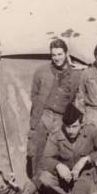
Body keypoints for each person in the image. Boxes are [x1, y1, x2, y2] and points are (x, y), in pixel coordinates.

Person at [18, 103, 97, 194]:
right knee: (45, 178)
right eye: (67, 127)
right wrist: (58, 165)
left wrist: (87, 159)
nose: (70, 131)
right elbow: (46, 158)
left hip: (86, 177)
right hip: (65, 179)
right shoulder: (57, 134)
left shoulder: (91, 131)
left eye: (74, 127)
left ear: (82, 125)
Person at [26, 39, 82, 184]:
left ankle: (52, 188)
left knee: (56, 152)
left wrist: (87, 65)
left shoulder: (76, 74)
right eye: (54, 55)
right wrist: (38, 115)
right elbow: (34, 93)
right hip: (44, 115)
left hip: (61, 118)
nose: (57, 58)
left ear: (66, 54)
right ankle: (36, 188)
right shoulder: (41, 71)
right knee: (38, 151)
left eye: (60, 54)